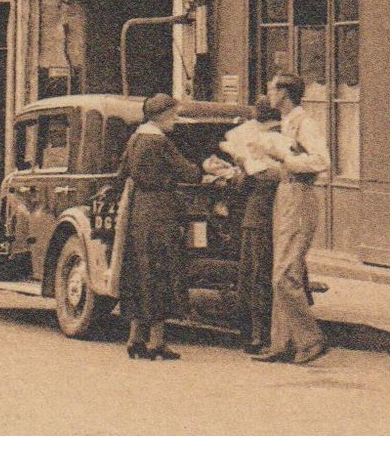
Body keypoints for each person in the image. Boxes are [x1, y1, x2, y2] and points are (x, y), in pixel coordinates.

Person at [116, 93, 201, 361]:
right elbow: (187, 172)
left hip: (138, 210)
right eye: (174, 115)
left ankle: (135, 338)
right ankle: (157, 341)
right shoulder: (158, 141)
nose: (176, 121)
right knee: (162, 273)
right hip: (160, 211)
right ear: (162, 115)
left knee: (140, 273)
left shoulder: (136, 139)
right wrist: (204, 168)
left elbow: (122, 173)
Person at [253, 73, 330, 365]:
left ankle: (310, 340)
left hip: (299, 195)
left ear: (284, 93)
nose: (268, 93)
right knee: (283, 270)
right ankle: (281, 343)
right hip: (285, 193)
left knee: (285, 273)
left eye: (271, 88)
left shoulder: (305, 123)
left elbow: (322, 161)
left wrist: (285, 159)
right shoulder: (286, 123)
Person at [214, 104, 283, 353]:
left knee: (256, 277)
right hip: (279, 221)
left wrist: (238, 167)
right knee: (271, 276)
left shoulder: (262, 156)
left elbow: (243, 185)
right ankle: (270, 333)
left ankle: (258, 335)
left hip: (258, 222)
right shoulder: (284, 145)